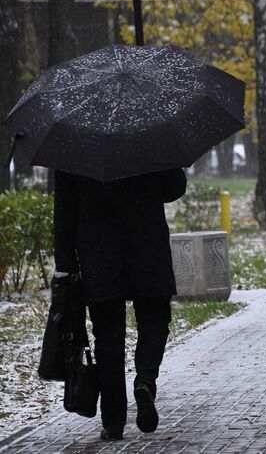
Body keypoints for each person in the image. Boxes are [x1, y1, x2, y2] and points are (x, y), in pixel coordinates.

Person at [53, 168, 187, 440]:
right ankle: (145, 381)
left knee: (107, 337)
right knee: (155, 319)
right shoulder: (149, 133)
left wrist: (66, 264)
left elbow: (65, 209)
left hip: (99, 254)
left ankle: (113, 422)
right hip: (147, 246)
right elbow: (174, 188)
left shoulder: (75, 142)